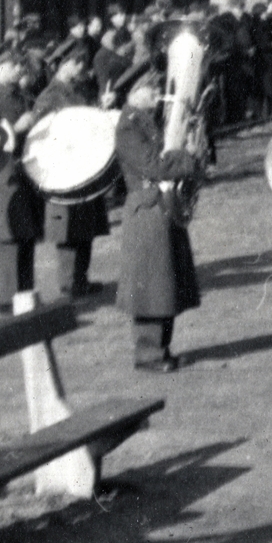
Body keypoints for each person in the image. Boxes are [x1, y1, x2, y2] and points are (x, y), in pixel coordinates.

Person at [113, 62, 201, 372]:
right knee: (151, 285)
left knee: (166, 283)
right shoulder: (128, 126)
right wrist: (187, 157)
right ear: (136, 92)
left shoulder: (146, 121)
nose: (158, 94)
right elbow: (155, 167)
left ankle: (161, 349)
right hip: (147, 207)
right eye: (152, 88)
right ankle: (148, 354)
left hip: (162, 205)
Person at [32, 41, 110, 299]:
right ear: (63, 64)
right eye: (76, 63)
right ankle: (69, 284)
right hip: (63, 171)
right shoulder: (49, 96)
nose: (80, 69)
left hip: (84, 166)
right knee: (68, 231)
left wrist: (100, 108)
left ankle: (81, 279)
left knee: (85, 227)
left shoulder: (77, 91)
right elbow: (43, 135)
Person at [0, 48, 46, 313]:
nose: (20, 71)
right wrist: (16, 129)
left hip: (21, 173)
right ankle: (7, 300)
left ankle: (25, 296)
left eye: (21, 67)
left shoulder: (17, 95)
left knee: (25, 237)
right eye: (15, 66)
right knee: (8, 239)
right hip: (2, 175)